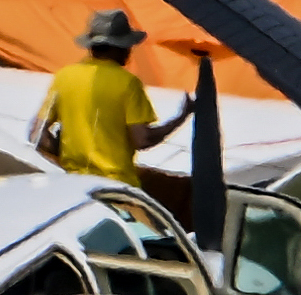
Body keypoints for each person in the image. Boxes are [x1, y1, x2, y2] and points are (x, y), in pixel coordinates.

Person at [33, 10, 195, 189]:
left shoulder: (64, 77)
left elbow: (38, 135)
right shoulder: (127, 83)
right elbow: (142, 140)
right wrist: (180, 118)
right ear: (118, 47)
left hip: (75, 184)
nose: (129, 51)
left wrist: (64, 151)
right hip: (116, 186)